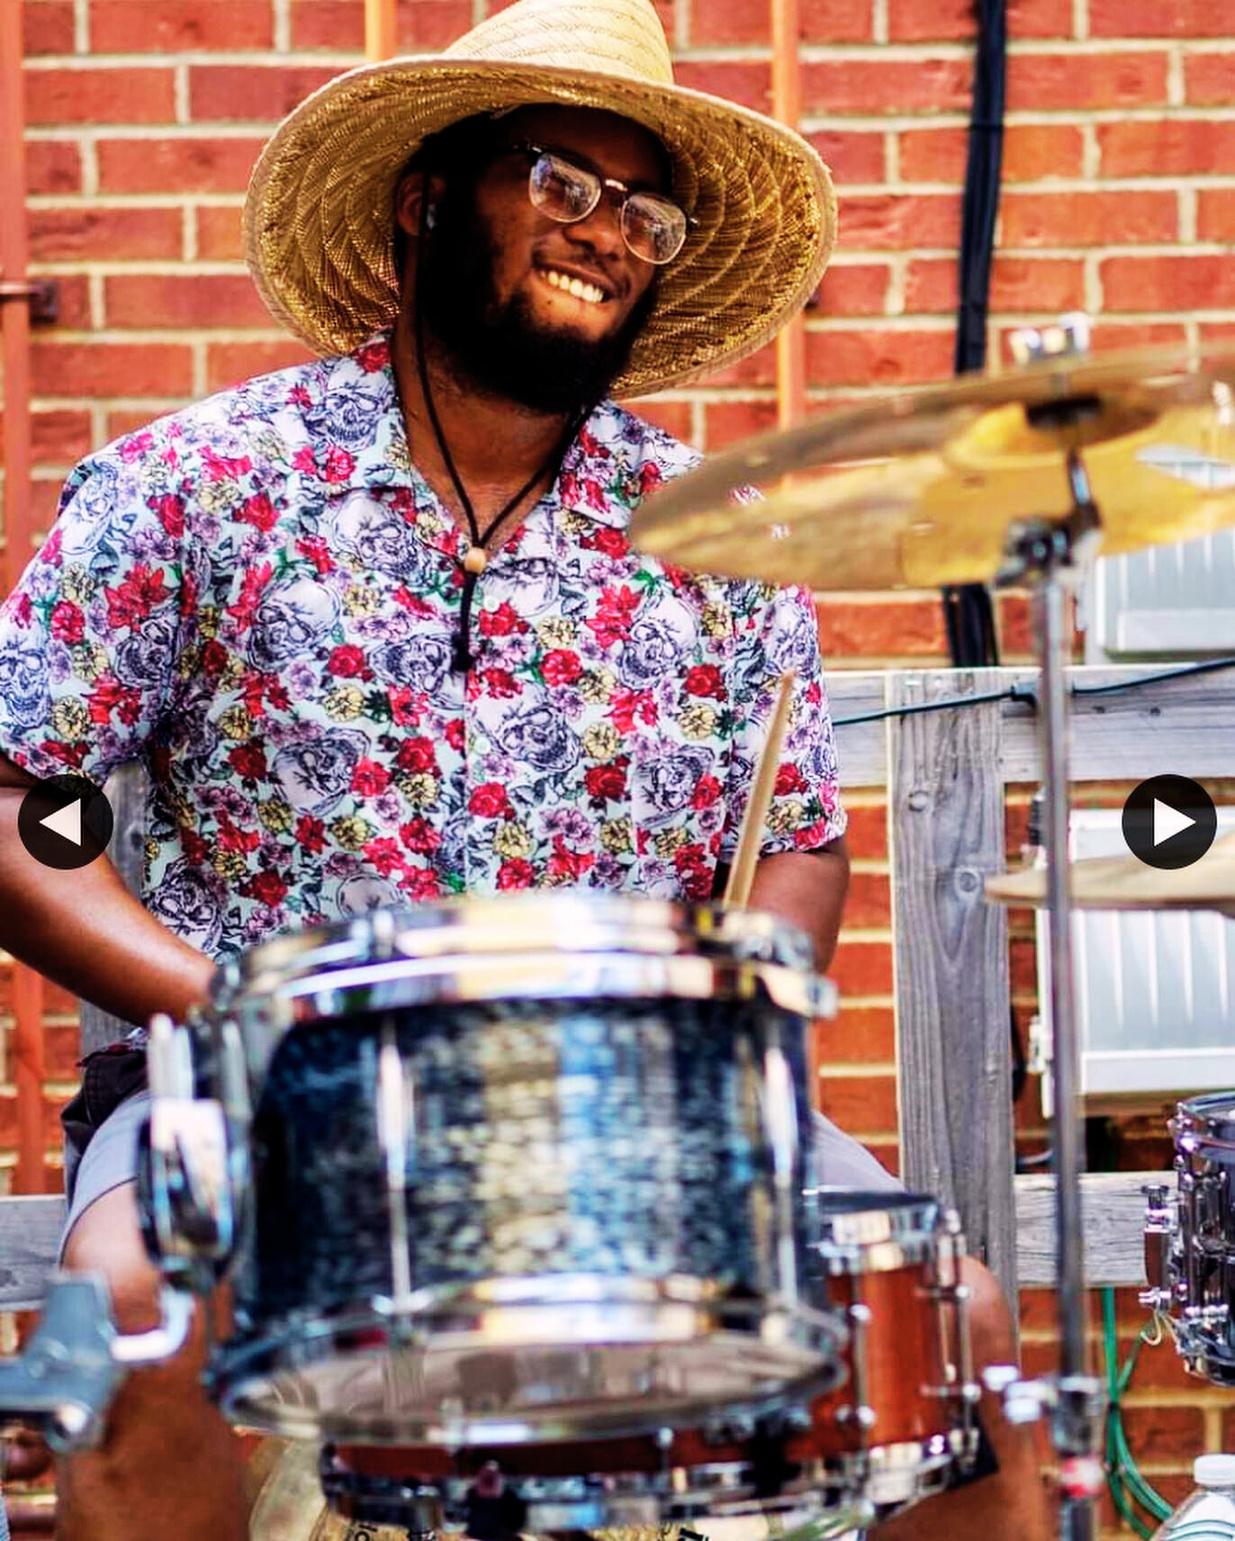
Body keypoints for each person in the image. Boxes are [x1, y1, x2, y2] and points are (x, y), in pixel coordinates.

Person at [0, 0, 1050, 1536]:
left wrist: (727, 1022)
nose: (610, 231)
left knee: (962, 1335)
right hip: (271, 1094)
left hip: (631, 1108)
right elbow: (21, 808)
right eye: (565, 180)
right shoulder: (195, 487)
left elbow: (799, 835)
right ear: (427, 199)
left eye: (646, 212)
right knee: (136, 1316)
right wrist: (240, 1013)